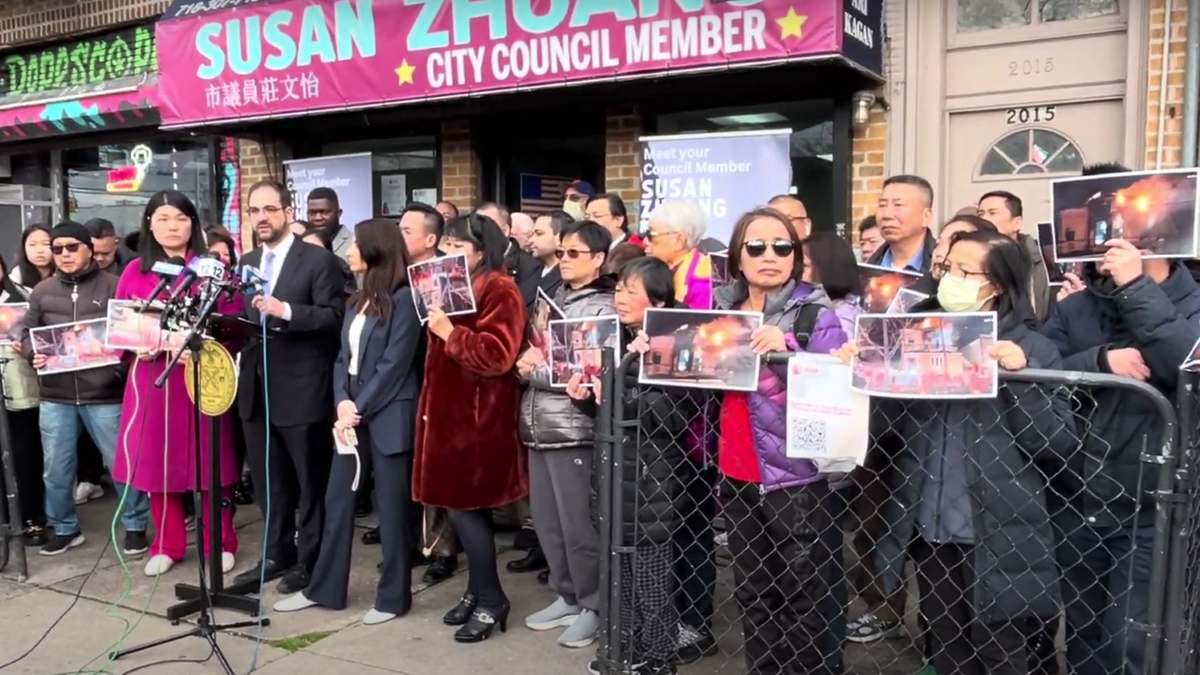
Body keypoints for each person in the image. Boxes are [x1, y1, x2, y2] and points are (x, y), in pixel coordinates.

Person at [836, 229, 1077, 675]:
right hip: (929, 526)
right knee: (946, 650)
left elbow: (1055, 442)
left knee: (1002, 652)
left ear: (998, 285)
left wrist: (1020, 380)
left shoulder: (1032, 347)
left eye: (968, 271)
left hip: (1000, 531)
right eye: (949, 269)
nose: (953, 279)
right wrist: (865, 370)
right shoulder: (914, 335)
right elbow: (884, 429)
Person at [1041, 192, 1200, 675]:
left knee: (1133, 639)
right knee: (1086, 633)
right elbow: (1042, 365)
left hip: (1154, 502)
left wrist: (1136, 287)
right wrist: (1099, 362)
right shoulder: (1078, 308)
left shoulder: (1191, 301)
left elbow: (1185, 365)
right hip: (1080, 495)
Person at [710, 207, 849, 674]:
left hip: (798, 477)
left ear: (795, 255)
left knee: (805, 597)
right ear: (738, 256)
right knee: (752, 593)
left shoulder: (816, 312)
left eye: (781, 246)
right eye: (756, 246)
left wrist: (786, 350)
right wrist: (655, 351)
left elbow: (836, 388)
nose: (769, 255)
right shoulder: (718, 311)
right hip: (736, 472)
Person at [274, 219, 423, 625]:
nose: (349, 250)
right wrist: (342, 402)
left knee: (391, 511)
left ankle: (393, 598)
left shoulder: (406, 299)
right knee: (337, 502)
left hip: (387, 414)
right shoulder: (356, 300)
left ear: (376, 250)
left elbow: (394, 366)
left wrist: (358, 408)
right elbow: (343, 358)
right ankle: (324, 588)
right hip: (351, 415)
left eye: (356, 244)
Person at [568, 255, 696, 675]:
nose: (620, 298)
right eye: (619, 288)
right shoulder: (623, 340)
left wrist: (618, 392)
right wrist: (586, 397)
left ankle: (659, 659)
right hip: (616, 475)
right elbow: (608, 413)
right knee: (619, 574)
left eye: (631, 291)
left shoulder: (677, 341)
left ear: (658, 300)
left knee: (652, 580)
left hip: (650, 482)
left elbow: (671, 415)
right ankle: (626, 650)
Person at [113, 191, 242, 577]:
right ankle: (167, 543)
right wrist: (143, 346)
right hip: (153, 378)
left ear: (193, 224)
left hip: (202, 375)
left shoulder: (213, 268)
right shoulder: (135, 270)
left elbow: (234, 321)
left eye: (182, 218)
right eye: (165, 218)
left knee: (211, 465)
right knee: (159, 466)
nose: (173, 226)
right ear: (149, 222)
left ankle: (220, 540)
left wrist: (205, 343)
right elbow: (120, 327)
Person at [413, 212, 526, 643]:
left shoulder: (500, 287)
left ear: (481, 249)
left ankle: (492, 597)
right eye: (447, 244)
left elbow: (498, 355)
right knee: (457, 509)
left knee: (466, 508)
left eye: (459, 246)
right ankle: (477, 589)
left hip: (478, 421)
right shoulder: (452, 284)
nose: (448, 253)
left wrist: (448, 332)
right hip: (447, 415)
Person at [232, 180, 345, 595]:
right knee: (269, 481)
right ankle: (277, 551)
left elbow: (334, 318)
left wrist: (288, 311)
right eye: (254, 210)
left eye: (269, 209)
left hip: (301, 389)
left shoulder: (317, 261)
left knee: (309, 483)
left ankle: (310, 559)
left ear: (287, 211)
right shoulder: (245, 262)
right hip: (257, 389)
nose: (261, 217)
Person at [20, 221, 150, 556]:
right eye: (57, 248)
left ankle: (135, 525)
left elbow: (132, 333)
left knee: (121, 463)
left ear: (89, 250)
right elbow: (27, 331)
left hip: (104, 392)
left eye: (71, 247)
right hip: (56, 394)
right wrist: (34, 352)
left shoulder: (114, 285)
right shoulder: (42, 290)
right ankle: (64, 527)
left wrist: (117, 369)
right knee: (56, 468)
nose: (63, 254)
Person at [515, 220, 614, 649]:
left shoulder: (603, 306)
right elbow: (534, 350)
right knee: (549, 522)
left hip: (573, 426)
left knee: (579, 525)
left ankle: (594, 604)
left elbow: (581, 370)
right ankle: (567, 593)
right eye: (563, 252)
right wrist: (529, 361)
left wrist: (530, 368)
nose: (566, 260)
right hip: (537, 422)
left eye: (576, 253)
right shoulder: (551, 296)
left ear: (599, 259)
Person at [0, 252, 46, 546]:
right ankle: (5, 520)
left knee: (25, 455)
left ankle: (33, 519)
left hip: (20, 388)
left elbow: (42, 337)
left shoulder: (24, 298)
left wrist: (27, 347)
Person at [978, 190, 1053, 323]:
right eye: (980, 214)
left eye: (992, 213)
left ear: (1017, 223)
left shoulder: (1041, 261)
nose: (983, 219)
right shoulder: (974, 260)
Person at [643, 200, 712, 311]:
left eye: (651, 234)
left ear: (679, 240)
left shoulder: (702, 282)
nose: (645, 241)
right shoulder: (660, 269)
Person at [477, 202, 542, 310]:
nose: (479, 233)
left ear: (505, 231)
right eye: (476, 227)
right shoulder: (473, 260)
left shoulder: (530, 267)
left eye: (486, 227)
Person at [868, 175, 938, 273]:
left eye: (898, 205)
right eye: (882, 205)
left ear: (926, 216)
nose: (887, 215)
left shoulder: (942, 267)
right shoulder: (867, 271)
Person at [527, 210, 571, 297]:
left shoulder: (568, 277)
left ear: (560, 238)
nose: (531, 240)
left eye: (539, 234)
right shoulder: (530, 270)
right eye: (532, 234)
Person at [306, 187, 353, 261]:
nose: (318, 218)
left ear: (339, 213)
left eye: (324, 212)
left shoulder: (353, 243)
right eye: (312, 213)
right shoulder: (301, 244)